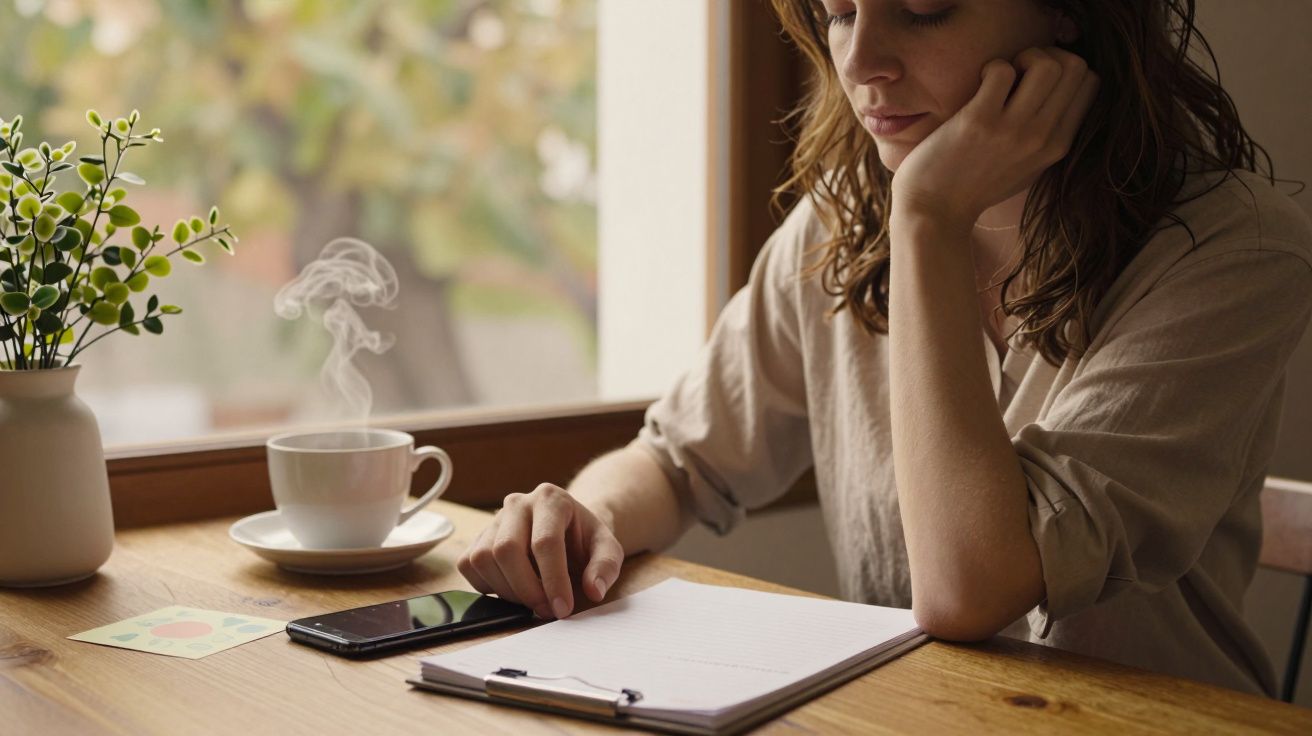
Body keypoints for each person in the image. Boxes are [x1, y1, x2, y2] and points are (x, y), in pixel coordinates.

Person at [458, 0, 1312, 696]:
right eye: (838, 11)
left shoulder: (1234, 251)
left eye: (924, 10)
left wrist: (929, 218)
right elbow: (679, 461)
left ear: (1064, 15)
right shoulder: (841, 218)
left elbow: (967, 592)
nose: (861, 60)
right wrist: (583, 521)